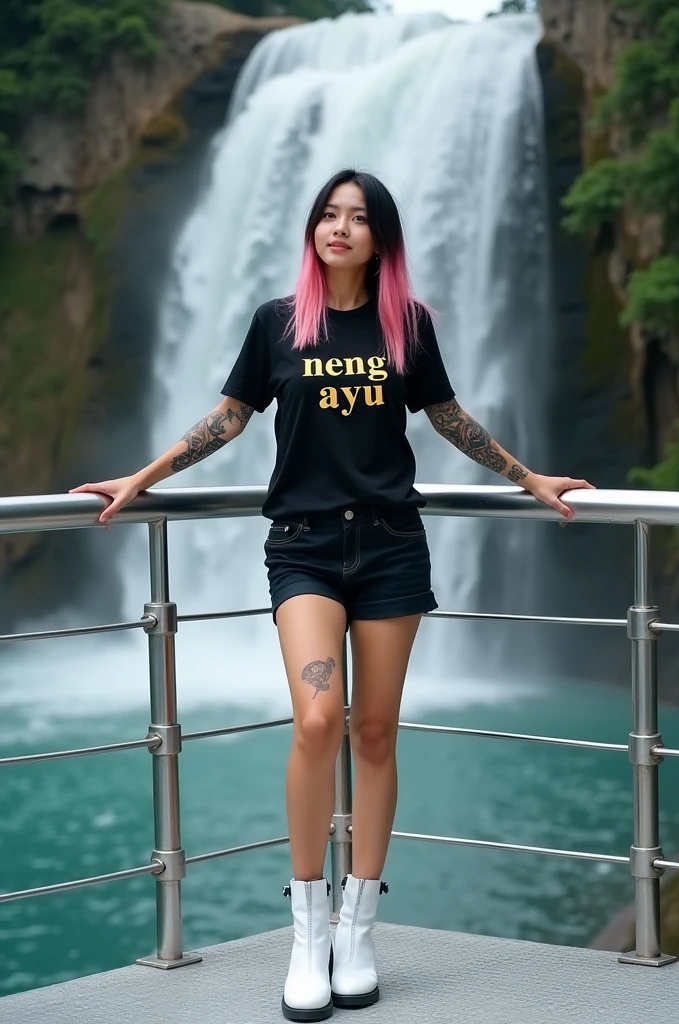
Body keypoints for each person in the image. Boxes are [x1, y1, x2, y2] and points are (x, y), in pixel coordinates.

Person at [70, 168, 594, 1022]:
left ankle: (360, 926)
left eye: (357, 218)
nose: (339, 227)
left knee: (376, 733)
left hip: (390, 548)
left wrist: (529, 477)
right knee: (319, 722)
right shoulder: (280, 323)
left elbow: (450, 418)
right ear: (313, 229)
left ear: (380, 237)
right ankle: (306, 929)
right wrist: (142, 476)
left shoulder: (407, 326)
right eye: (328, 214)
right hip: (304, 550)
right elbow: (230, 418)